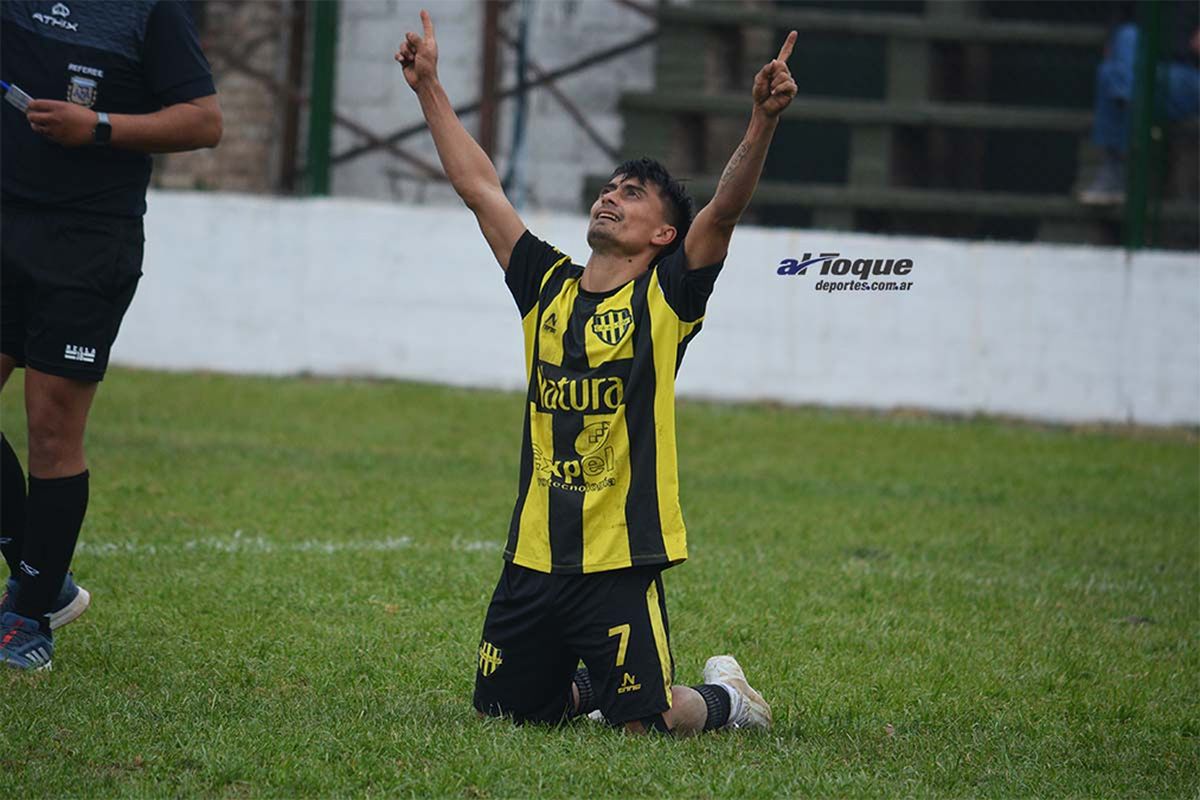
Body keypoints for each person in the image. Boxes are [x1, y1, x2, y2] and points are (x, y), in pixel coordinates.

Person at [396, 11, 797, 734]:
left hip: (617, 558)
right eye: (610, 186)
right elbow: (480, 188)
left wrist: (760, 121)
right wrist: (428, 85)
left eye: (633, 194)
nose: (611, 195)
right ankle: (588, 681)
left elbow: (725, 211)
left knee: (640, 726)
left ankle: (730, 700)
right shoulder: (545, 287)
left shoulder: (667, 296)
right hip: (534, 551)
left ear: (663, 235)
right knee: (503, 713)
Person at [0, 0, 222, 670]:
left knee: (51, 424)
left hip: (90, 241)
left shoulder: (149, 13)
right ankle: (44, 576)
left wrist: (96, 127)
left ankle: (29, 612)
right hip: (5, 219)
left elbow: (205, 122)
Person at [1078, 1, 1200, 205]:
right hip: (1144, 73)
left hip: (1186, 75)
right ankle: (1131, 96)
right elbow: (1116, 32)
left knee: (1111, 77)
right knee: (1123, 44)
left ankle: (1115, 171)